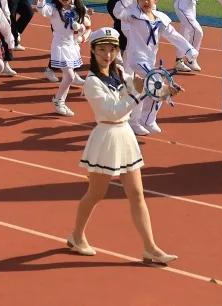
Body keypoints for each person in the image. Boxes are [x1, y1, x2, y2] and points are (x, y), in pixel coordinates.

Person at [67, 27, 177, 266]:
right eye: (102, 50)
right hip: (106, 138)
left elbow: (141, 85)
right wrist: (138, 94)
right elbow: (112, 111)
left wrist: (163, 89)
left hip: (125, 137)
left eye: (112, 49)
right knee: (96, 194)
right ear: (93, 51)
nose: (108, 54)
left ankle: (150, 248)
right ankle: (76, 236)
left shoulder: (119, 71)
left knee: (137, 194)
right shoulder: (92, 83)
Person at [111, 0, 197, 135]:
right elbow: (118, 12)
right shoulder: (132, 14)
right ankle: (148, 120)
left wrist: (189, 49)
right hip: (136, 58)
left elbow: (173, 35)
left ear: (155, 0)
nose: (145, 2)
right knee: (156, 82)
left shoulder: (160, 18)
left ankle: (134, 121)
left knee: (143, 90)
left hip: (149, 60)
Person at [37, 0, 90, 117]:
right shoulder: (54, 10)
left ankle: (59, 101)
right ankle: (59, 101)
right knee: (70, 76)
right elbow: (41, 9)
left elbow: (83, 28)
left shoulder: (76, 10)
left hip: (72, 45)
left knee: (69, 77)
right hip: (60, 45)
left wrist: (80, 28)